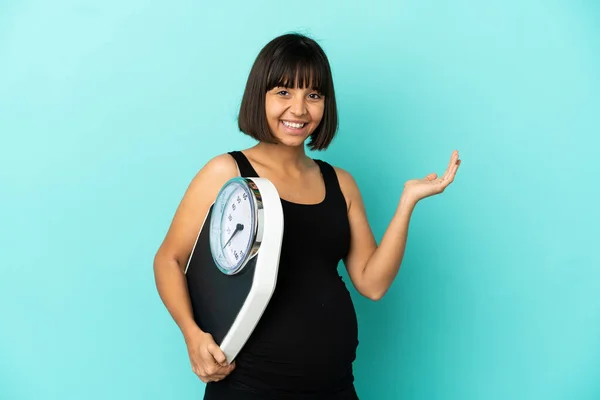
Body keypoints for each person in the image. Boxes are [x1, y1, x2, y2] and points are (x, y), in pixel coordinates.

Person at [153, 33, 461, 400]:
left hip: (334, 386)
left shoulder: (340, 183)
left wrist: (408, 201)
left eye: (313, 95)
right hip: (251, 386)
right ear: (259, 96)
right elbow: (169, 259)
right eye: (284, 92)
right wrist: (192, 334)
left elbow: (372, 283)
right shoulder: (227, 172)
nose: (299, 110)